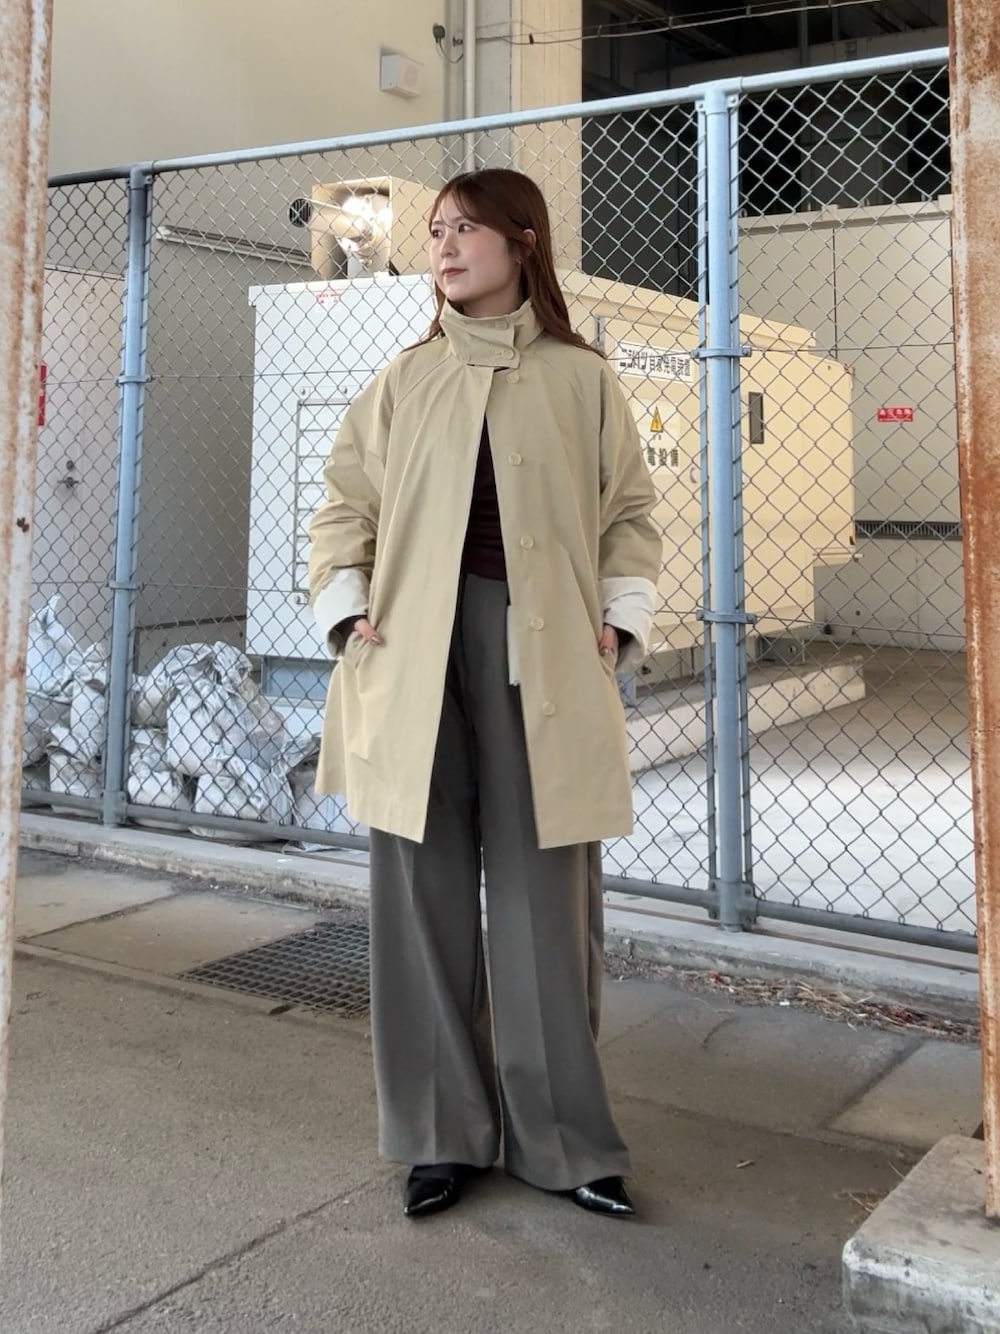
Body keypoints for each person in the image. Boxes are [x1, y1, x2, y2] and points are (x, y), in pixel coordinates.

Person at [307, 168, 662, 1221]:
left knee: (545, 895)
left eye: (466, 228)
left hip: (541, 653)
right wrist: (345, 609)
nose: (445, 248)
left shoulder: (581, 379)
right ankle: (437, 1134)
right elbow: (343, 503)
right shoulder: (405, 378)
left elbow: (629, 513)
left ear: (523, 241)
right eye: (436, 232)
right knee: (418, 895)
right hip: (409, 652)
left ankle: (565, 1142)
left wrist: (621, 617)